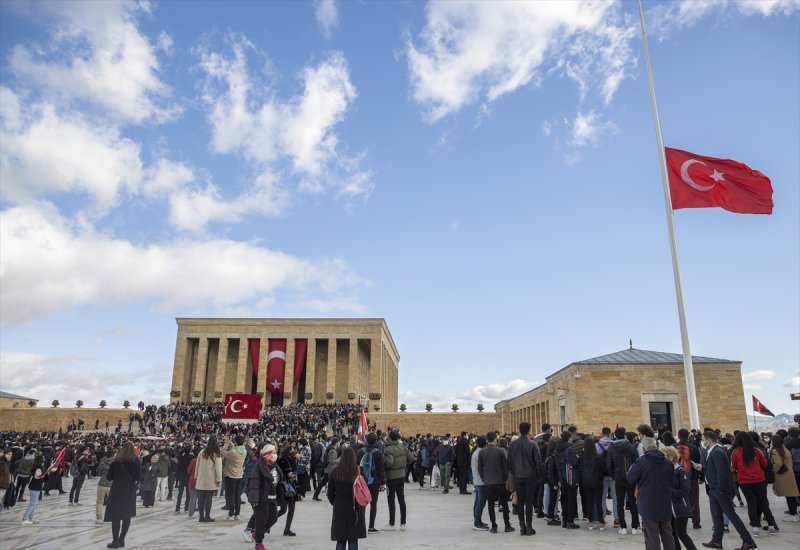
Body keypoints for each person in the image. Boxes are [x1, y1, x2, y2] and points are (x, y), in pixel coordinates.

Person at [700, 430, 756, 550]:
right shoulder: (713, 451)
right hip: (713, 490)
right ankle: (716, 541)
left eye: (704, 439)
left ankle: (748, 541)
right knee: (717, 517)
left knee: (732, 515)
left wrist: (720, 489)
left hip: (720, 490)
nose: (703, 442)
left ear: (709, 440)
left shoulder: (717, 452)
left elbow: (722, 473)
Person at [627, 437, 675, 550]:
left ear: (644, 449)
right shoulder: (668, 462)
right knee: (667, 534)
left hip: (648, 502)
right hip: (665, 501)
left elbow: (630, 478)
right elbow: (672, 480)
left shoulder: (641, 462)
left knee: (651, 536)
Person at [731, 432, 777, 537]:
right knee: (764, 503)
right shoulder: (756, 451)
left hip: (745, 482)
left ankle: (755, 528)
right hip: (759, 481)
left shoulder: (735, 452)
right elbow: (764, 464)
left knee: (751, 504)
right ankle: (771, 526)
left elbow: (734, 466)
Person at [328, 446, 366, 550]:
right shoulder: (359, 471)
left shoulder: (335, 472)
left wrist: (336, 502)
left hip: (339, 506)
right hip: (355, 505)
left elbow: (330, 494)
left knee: (341, 538)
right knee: (353, 538)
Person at [507, 421, 542, 536]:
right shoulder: (533, 444)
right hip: (530, 476)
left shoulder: (513, 444)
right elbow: (538, 462)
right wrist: (538, 475)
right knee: (529, 502)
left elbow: (509, 462)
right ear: (529, 430)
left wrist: (514, 472)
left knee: (520, 502)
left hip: (518, 476)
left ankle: (522, 526)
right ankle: (529, 526)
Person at [104, 442, 141, 549]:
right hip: (129, 491)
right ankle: (122, 539)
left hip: (117, 491)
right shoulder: (136, 462)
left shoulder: (116, 462)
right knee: (126, 515)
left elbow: (109, 477)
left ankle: (115, 540)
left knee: (116, 516)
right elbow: (139, 476)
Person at [661, 447, 698, 550]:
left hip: (680, 508)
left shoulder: (680, 471)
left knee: (681, 533)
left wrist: (668, 490)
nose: (662, 459)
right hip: (669, 509)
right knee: (672, 534)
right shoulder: (666, 471)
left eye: (664, 456)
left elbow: (685, 491)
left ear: (672, 458)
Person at [478, 431, 514, 534]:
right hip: (500, 481)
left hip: (488, 482)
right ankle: (507, 525)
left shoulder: (482, 452)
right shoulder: (501, 451)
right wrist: (505, 477)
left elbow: (480, 468)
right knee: (504, 504)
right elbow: (506, 466)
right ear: (495, 439)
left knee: (490, 505)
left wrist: (484, 478)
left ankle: (494, 526)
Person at [608, 426, 640, 535]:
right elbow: (637, 463)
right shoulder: (631, 447)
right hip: (631, 478)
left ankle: (623, 527)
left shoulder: (612, 448)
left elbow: (609, 464)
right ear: (625, 435)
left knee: (620, 503)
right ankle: (635, 527)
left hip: (619, 479)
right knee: (633, 503)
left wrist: (613, 475)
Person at [246, 443, 279, 550]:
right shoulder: (259, 466)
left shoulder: (273, 464)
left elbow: (278, 478)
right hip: (262, 498)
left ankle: (257, 534)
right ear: (267, 454)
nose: (275, 455)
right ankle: (258, 543)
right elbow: (254, 483)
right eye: (273, 453)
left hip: (273, 497)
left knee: (273, 518)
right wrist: (254, 499)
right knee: (261, 521)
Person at [382, 429, 415, 531]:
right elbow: (412, 459)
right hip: (401, 476)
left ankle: (392, 524)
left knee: (391, 500)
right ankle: (403, 524)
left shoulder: (388, 450)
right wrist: (402, 464)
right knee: (401, 500)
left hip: (391, 477)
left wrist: (385, 462)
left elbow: (390, 463)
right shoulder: (403, 447)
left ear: (390, 438)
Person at [356, 432, 385, 533]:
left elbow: (357, 467)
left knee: (361, 503)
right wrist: (382, 483)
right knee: (373, 504)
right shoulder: (378, 453)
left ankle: (361, 526)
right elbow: (381, 469)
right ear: (376, 441)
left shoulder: (360, 452)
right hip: (375, 481)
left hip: (362, 481)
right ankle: (371, 527)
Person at [770, 434, 800, 522]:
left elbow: (778, 464)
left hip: (783, 476)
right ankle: (794, 514)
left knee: (789, 496)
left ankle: (793, 515)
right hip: (789, 475)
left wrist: (773, 471)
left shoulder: (776, 451)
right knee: (791, 496)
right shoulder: (784, 449)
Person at [677, 428, 703, 530]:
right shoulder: (693, 447)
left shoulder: (674, 447)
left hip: (678, 478)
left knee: (680, 499)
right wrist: (701, 476)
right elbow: (698, 462)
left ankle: (680, 521)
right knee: (694, 500)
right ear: (688, 436)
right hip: (692, 477)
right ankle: (696, 522)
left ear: (678, 436)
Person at [194, 435, 223, 522]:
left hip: (201, 478)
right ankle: (207, 516)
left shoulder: (202, 452)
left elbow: (197, 464)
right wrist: (219, 479)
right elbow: (218, 468)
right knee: (209, 498)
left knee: (201, 497)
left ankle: (201, 516)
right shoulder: (216, 453)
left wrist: (196, 475)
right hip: (211, 478)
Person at [581, 435, 607, 531]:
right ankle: (601, 522)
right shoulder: (598, 457)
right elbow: (604, 469)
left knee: (589, 502)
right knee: (598, 502)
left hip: (586, 483)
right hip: (597, 482)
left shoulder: (582, 458)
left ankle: (590, 522)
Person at [223, 434, 246, 520]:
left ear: (236, 442)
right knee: (237, 495)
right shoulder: (244, 451)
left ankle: (231, 514)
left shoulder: (233, 452)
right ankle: (237, 514)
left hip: (230, 475)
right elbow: (235, 449)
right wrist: (231, 443)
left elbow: (223, 453)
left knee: (230, 495)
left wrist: (226, 444)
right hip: (239, 475)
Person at [276, 444, 297, 536]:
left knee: (283, 509)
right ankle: (287, 529)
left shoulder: (279, 459)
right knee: (290, 509)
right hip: (288, 487)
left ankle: (267, 524)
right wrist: (297, 472)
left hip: (281, 487)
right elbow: (290, 474)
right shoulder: (288, 461)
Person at [20, 453, 45, 525]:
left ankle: (31, 517)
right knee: (33, 503)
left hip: (34, 486)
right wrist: (43, 475)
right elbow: (37, 476)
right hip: (35, 487)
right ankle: (25, 518)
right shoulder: (39, 467)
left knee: (34, 503)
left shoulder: (37, 466)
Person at [471, 436, 489, 531]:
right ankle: (477, 523)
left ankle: (477, 520)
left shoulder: (475, 453)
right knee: (481, 502)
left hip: (477, 480)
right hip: (481, 481)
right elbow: (483, 468)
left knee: (478, 501)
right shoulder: (480, 453)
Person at [96, 449, 115, 523]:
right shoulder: (116, 462)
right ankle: (110, 516)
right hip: (112, 484)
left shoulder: (102, 462)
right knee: (111, 502)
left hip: (102, 484)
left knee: (99, 502)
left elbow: (99, 473)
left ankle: (99, 517)